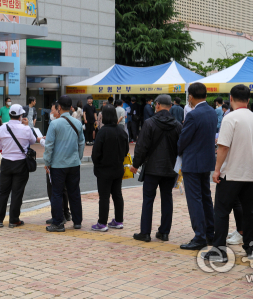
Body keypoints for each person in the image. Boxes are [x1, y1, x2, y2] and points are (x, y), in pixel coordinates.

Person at [204, 84, 253, 263]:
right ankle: (251, 248)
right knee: (249, 211)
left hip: (232, 173)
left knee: (221, 211)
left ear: (230, 98)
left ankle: (219, 250)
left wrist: (217, 169)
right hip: (251, 173)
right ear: (249, 100)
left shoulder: (230, 118)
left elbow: (223, 146)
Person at [130, 95, 182, 242]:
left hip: (152, 168)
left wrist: (135, 165)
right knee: (167, 199)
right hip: (170, 168)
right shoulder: (178, 125)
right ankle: (164, 232)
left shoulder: (149, 123)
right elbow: (181, 147)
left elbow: (141, 147)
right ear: (170, 106)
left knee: (148, 199)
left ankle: (145, 232)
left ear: (157, 105)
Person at [177, 83, 217, 250]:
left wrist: (178, 149)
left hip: (192, 162)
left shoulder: (193, 115)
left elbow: (183, 140)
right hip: (206, 161)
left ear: (191, 97)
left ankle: (199, 236)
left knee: (195, 200)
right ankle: (210, 232)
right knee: (206, 198)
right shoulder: (212, 112)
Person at [44, 95, 85, 232]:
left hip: (58, 165)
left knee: (57, 193)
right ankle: (77, 221)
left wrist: (47, 162)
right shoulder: (78, 123)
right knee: (74, 192)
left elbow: (49, 145)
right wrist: (77, 157)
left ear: (59, 107)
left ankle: (58, 223)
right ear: (71, 107)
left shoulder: (54, 124)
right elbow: (81, 143)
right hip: (74, 163)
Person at [0, 104, 39, 228]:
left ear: (9, 114)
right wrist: (27, 125)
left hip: (6, 162)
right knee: (17, 192)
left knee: (3, 191)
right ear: (21, 115)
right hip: (21, 163)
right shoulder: (26, 129)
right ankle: (14, 220)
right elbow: (33, 141)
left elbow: (0, 146)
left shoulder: (2, 128)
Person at [90, 104, 128, 232]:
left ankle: (102, 223)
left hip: (104, 170)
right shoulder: (122, 131)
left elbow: (95, 154)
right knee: (117, 194)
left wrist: (98, 163)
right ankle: (118, 220)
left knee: (104, 196)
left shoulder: (103, 132)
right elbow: (126, 150)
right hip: (118, 168)